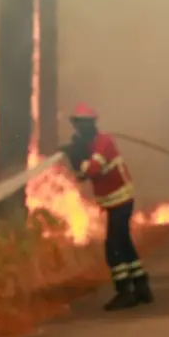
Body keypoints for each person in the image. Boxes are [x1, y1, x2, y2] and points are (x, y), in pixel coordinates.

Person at [61, 103, 154, 311]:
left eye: (83, 124)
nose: (80, 129)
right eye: (77, 125)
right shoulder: (90, 146)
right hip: (114, 202)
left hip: (121, 200)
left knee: (113, 247)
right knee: (124, 243)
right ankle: (141, 287)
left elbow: (93, 169)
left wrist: (78, 157)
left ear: (92, 124)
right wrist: (75, 158)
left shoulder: (104, 142)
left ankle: (125, 292)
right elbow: (82, 176)